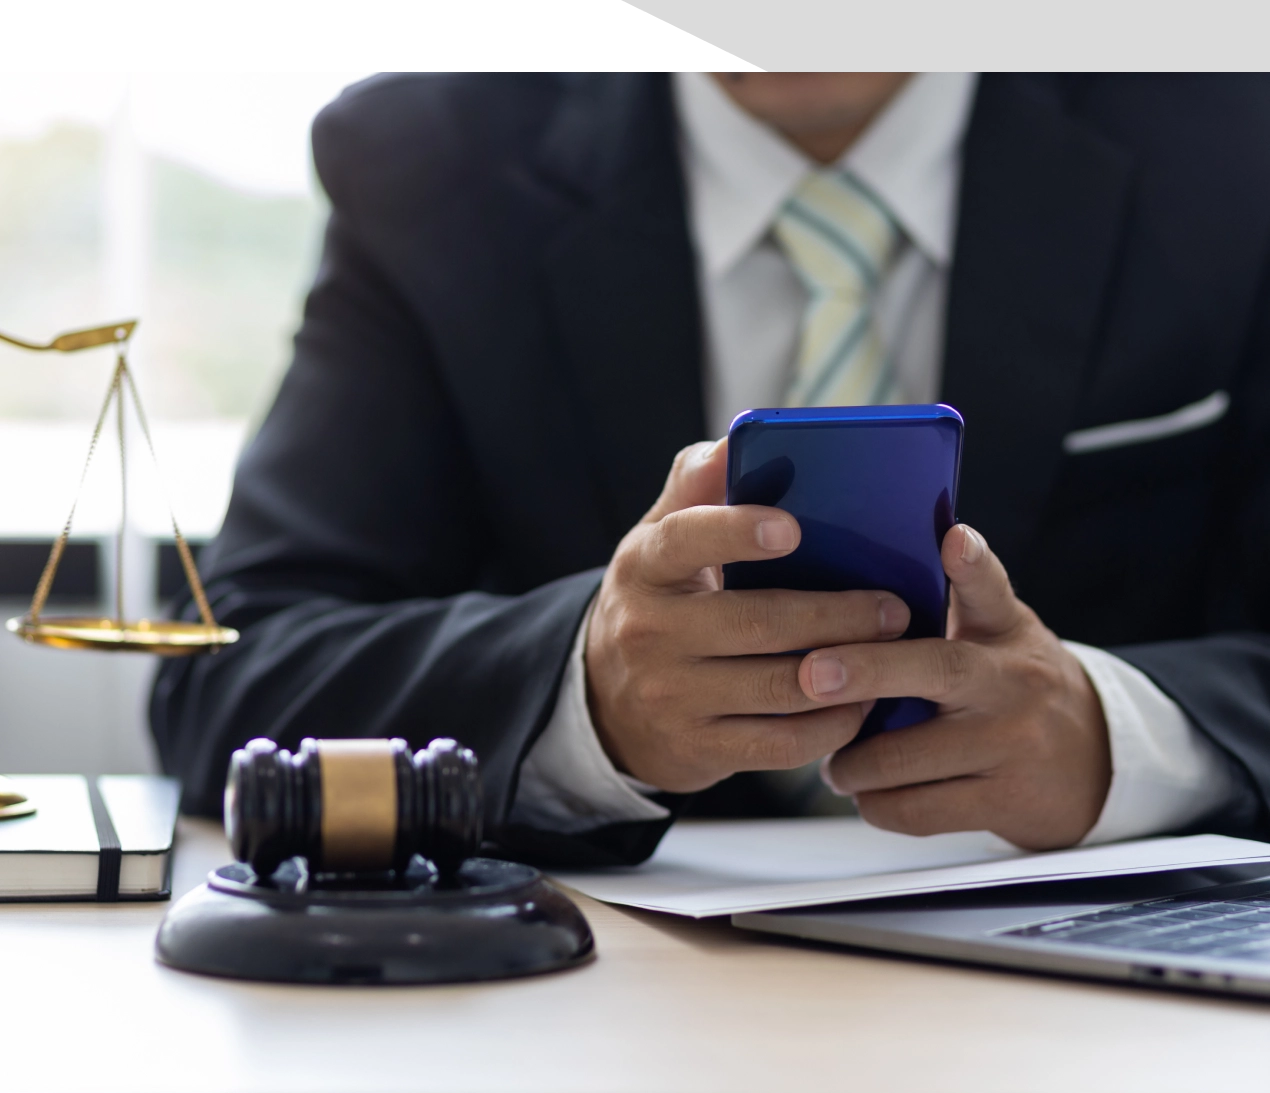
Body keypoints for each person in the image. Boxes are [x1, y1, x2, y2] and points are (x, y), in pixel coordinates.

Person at [151, 72, 1270, 867]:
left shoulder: (1232, 136)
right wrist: (583, 698)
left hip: (1104, 1012)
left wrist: (1118, 737)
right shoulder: (432, 159)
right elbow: (229, 669)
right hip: (611, 1008)